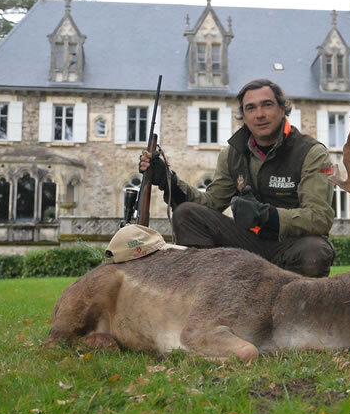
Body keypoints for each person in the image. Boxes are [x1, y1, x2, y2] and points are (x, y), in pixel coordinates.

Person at [139, 79, 336, 277]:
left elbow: (320, 217)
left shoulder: (311, 153)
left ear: (282, 109)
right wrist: (169, 181)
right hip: (247, 242)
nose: (259, 114)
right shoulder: (232, 155)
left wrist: (267, 216)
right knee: (186, 213)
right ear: (243, 116)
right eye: (250, 108)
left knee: (315, 251)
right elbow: (210, 203)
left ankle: (298, 305)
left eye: (267, 105)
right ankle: (207, 296)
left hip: (291, 244)